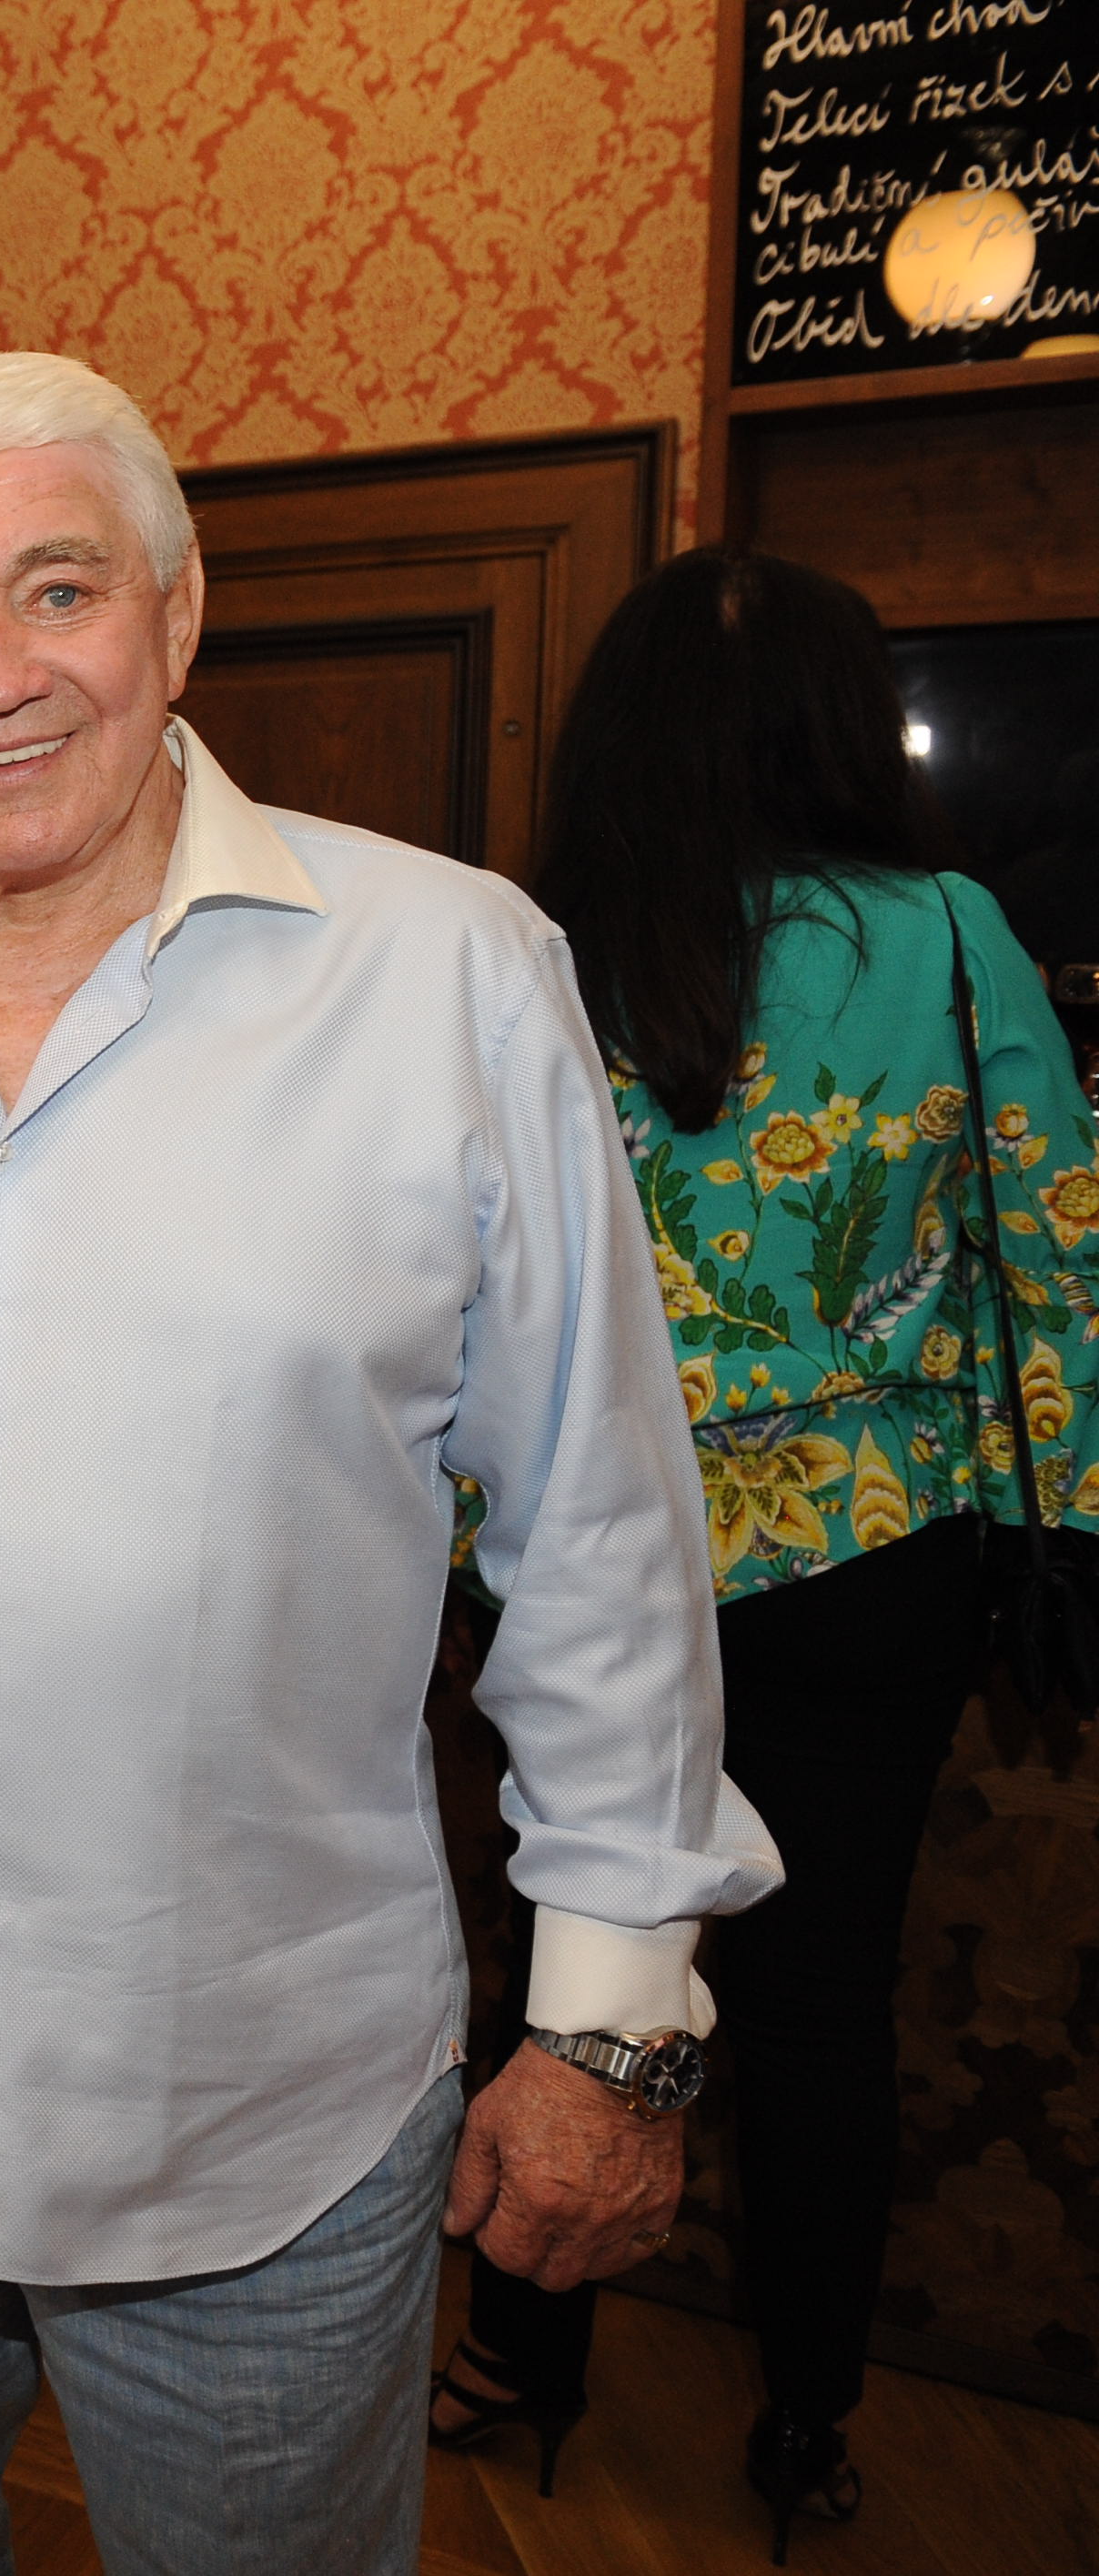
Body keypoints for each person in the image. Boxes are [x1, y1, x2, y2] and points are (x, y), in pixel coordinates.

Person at [0, 342, 783, 2576]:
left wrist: (608, 2023)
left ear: (176, 615)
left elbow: (598, 1534)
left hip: (259, 2130)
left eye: (57, 590)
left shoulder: (450, 980)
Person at [429, 549, 1099, 2559]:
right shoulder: (953, 935)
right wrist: (1068, 1519)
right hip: (868, 1558)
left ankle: (517, 2367)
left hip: (578, 1560)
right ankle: (806, 2423)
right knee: (822, 2009)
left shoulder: (534, 951)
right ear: (842, 720)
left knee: (558, 1963)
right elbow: (1053, 1250)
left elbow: (455, 1270)